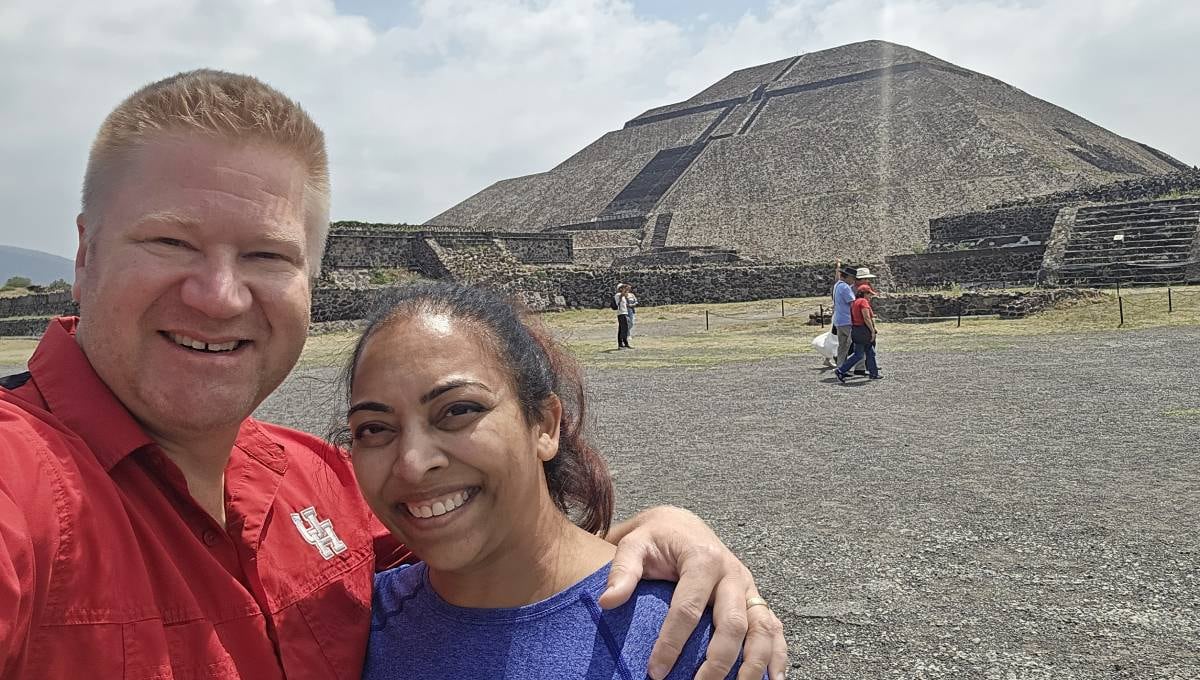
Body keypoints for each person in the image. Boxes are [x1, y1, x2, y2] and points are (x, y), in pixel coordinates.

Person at [0, 70, 786, 680]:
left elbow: (497, 558)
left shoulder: (324, 485)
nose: (219, 296)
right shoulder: (22, 484)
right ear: (84, 255)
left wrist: (656, 535)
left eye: (267, 255)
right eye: (170, 243)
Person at [345, 282, 762, 679]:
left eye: (458, 410)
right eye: (374, 428)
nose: (413, 464)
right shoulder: (343, 628)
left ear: (545, 425)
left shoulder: (685, 640)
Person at [834, 283, 882, 382]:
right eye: (869, 294)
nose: (870, 297)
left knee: (865, 353)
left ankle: (873, 373)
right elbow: (866, 317)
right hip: (863, 330)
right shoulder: (863, 302)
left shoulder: (855, 302)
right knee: (864, 353)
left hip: (856, 329)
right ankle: (842, 370)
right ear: (865, 293)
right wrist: (872, 331)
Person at [831, 260, 863, 373]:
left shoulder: (837, 285)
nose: (853, 281)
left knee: (843, 346)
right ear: (848, 277)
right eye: (853, 278)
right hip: (847, 320)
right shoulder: (845, 287)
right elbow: (852, 303)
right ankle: (859, 367)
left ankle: (840, 366)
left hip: (839, 320)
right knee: (857, 344)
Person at [615, 283, 632, 349]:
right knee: (623, 329)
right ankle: (621, 344)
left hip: (625, 313)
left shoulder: (624, 296)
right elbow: (620, 297)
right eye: (623, 288)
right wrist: (624, 289)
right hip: (621, 314)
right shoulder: (618, 295)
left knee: (623, 329)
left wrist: (627, 289)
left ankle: (624, 343)